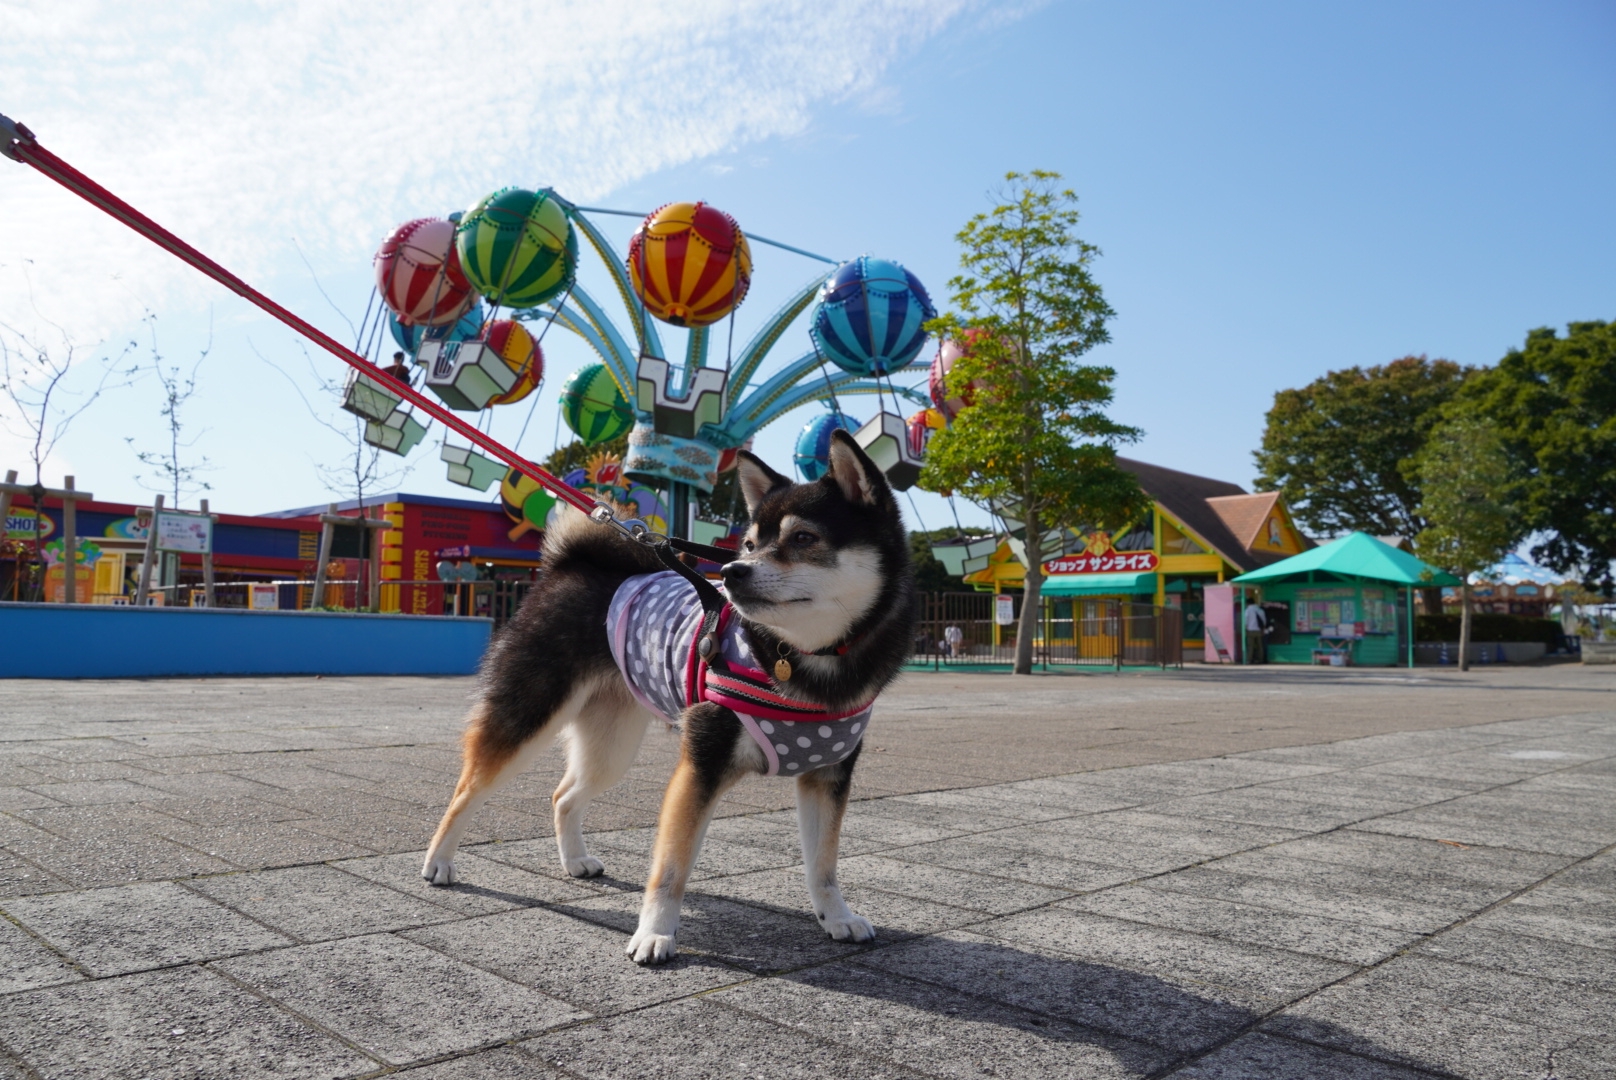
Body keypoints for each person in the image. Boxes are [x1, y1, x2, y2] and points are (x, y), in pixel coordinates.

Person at [1243, 599, 1267, 664]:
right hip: (1259, 630)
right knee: (1260, 646)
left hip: (1250, 630)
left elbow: (1245, 621)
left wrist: (1245, 629)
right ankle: (1260, 659)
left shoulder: (1247, 611)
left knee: (1250, 646)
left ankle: (1249, 660)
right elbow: (1264, 621)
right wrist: (1263, 629)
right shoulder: (1260, 610)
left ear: (1247, 603)